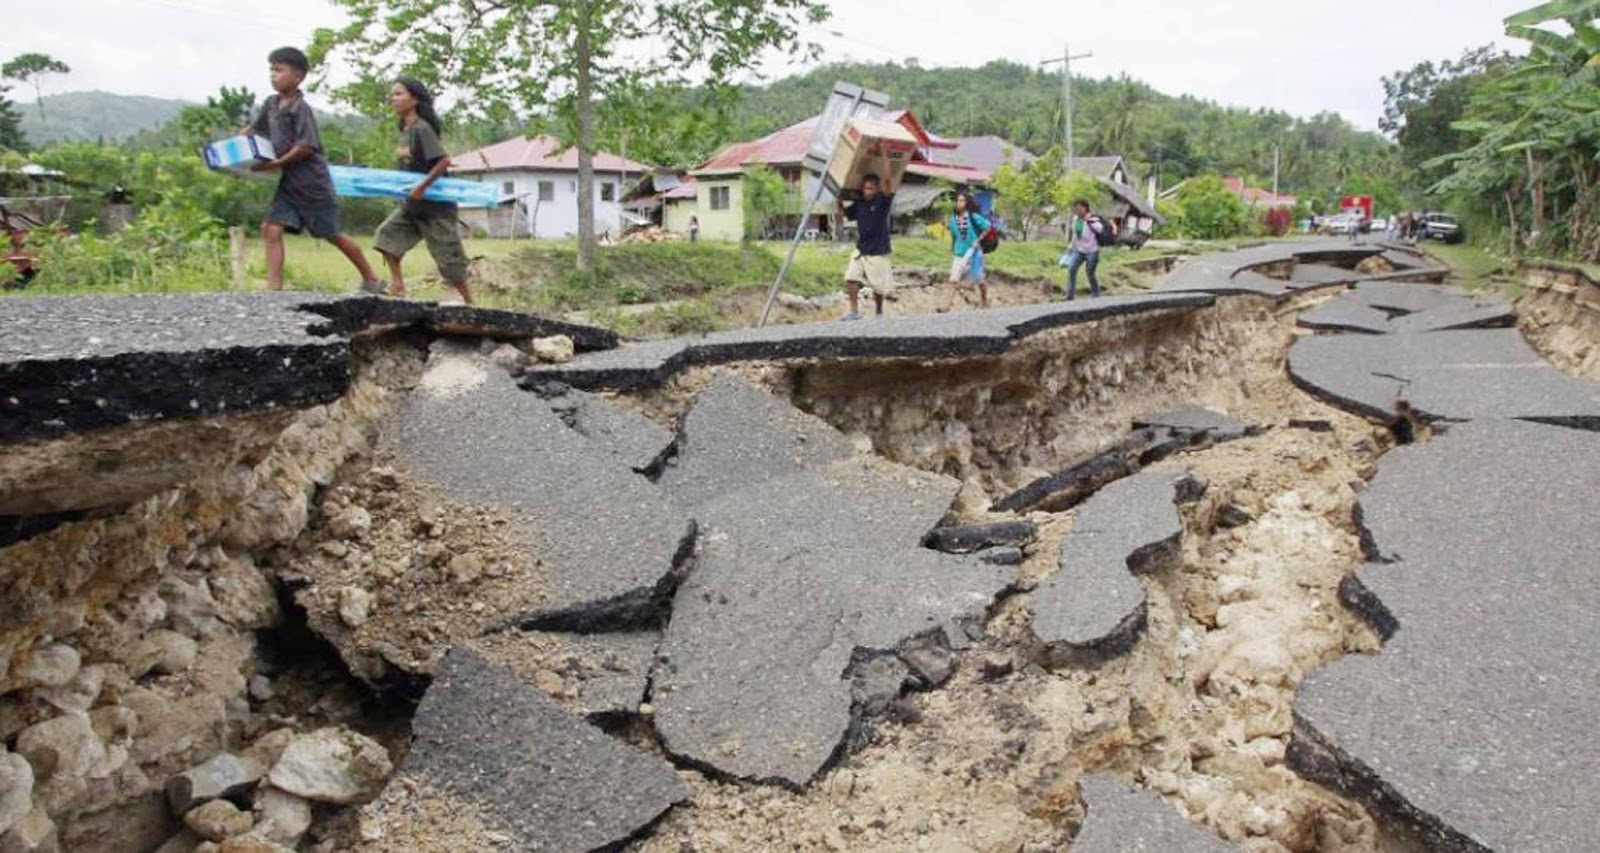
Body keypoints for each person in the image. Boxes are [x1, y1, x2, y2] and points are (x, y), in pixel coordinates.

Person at [246, 47, 382, 293]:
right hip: (288, 184)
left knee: (332, 234)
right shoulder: (271, 104)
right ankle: (273, 290)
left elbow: (306, 146)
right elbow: (255, 131)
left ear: (298, 77)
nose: (273, 75)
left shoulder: (300, 108)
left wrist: (276, 164)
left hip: (312, 184)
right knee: (270, 228)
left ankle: (371, 278)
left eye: (279, 70)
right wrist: (233, 147)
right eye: (271, 69)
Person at [371, 77, 473, 304]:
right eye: (393, 94)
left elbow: (443, 161)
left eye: (398, 94)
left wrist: (421, 186)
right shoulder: (406, 129)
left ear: (414, 99)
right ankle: (397, 286)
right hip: (412, 205)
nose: (393, 98)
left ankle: (469, 301)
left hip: (436, 207)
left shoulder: (422, 129)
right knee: (386, 236)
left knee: (449, 260)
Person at [838, 146, 896, 320]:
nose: (867, 191)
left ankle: (878, 312)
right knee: (850, 277)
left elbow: (888, 181)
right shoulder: (860, 204)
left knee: (878, 287)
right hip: (861, 249)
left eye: (870, 188)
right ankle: (854, 312)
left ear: (877, 189)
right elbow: (843, 214)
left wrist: (885, 155)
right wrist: (837, 199)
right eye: (865, 188)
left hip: (878, 250)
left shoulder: (882, 201)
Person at [939, 190, 991, 312]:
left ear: (967, 203)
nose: (959, 203)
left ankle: (984, 301)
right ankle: (946, 306)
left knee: (980, 280)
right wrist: (952, 248)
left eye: (962, 200)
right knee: (953, 279)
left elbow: (987, 228)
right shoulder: (953, 220)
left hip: (974, 253)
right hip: (959, 253)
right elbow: (954, 236)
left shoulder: (974, 217)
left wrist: (978, 240)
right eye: (957, 200)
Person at [1061, 199, 1112, 300]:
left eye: (1079, 208)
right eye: (1076, 209)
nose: (1077, 211)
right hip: (1079, 250)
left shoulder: (1093, 219)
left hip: (1092, 251)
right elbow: (1076, 234)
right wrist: (1071, 246)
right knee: (1071, 269)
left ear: (1085, 208)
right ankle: (1070, 295)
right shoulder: (1076, 220)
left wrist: (1089, 221)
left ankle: (1096, 295)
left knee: (1090, 273)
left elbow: (1100, 229)